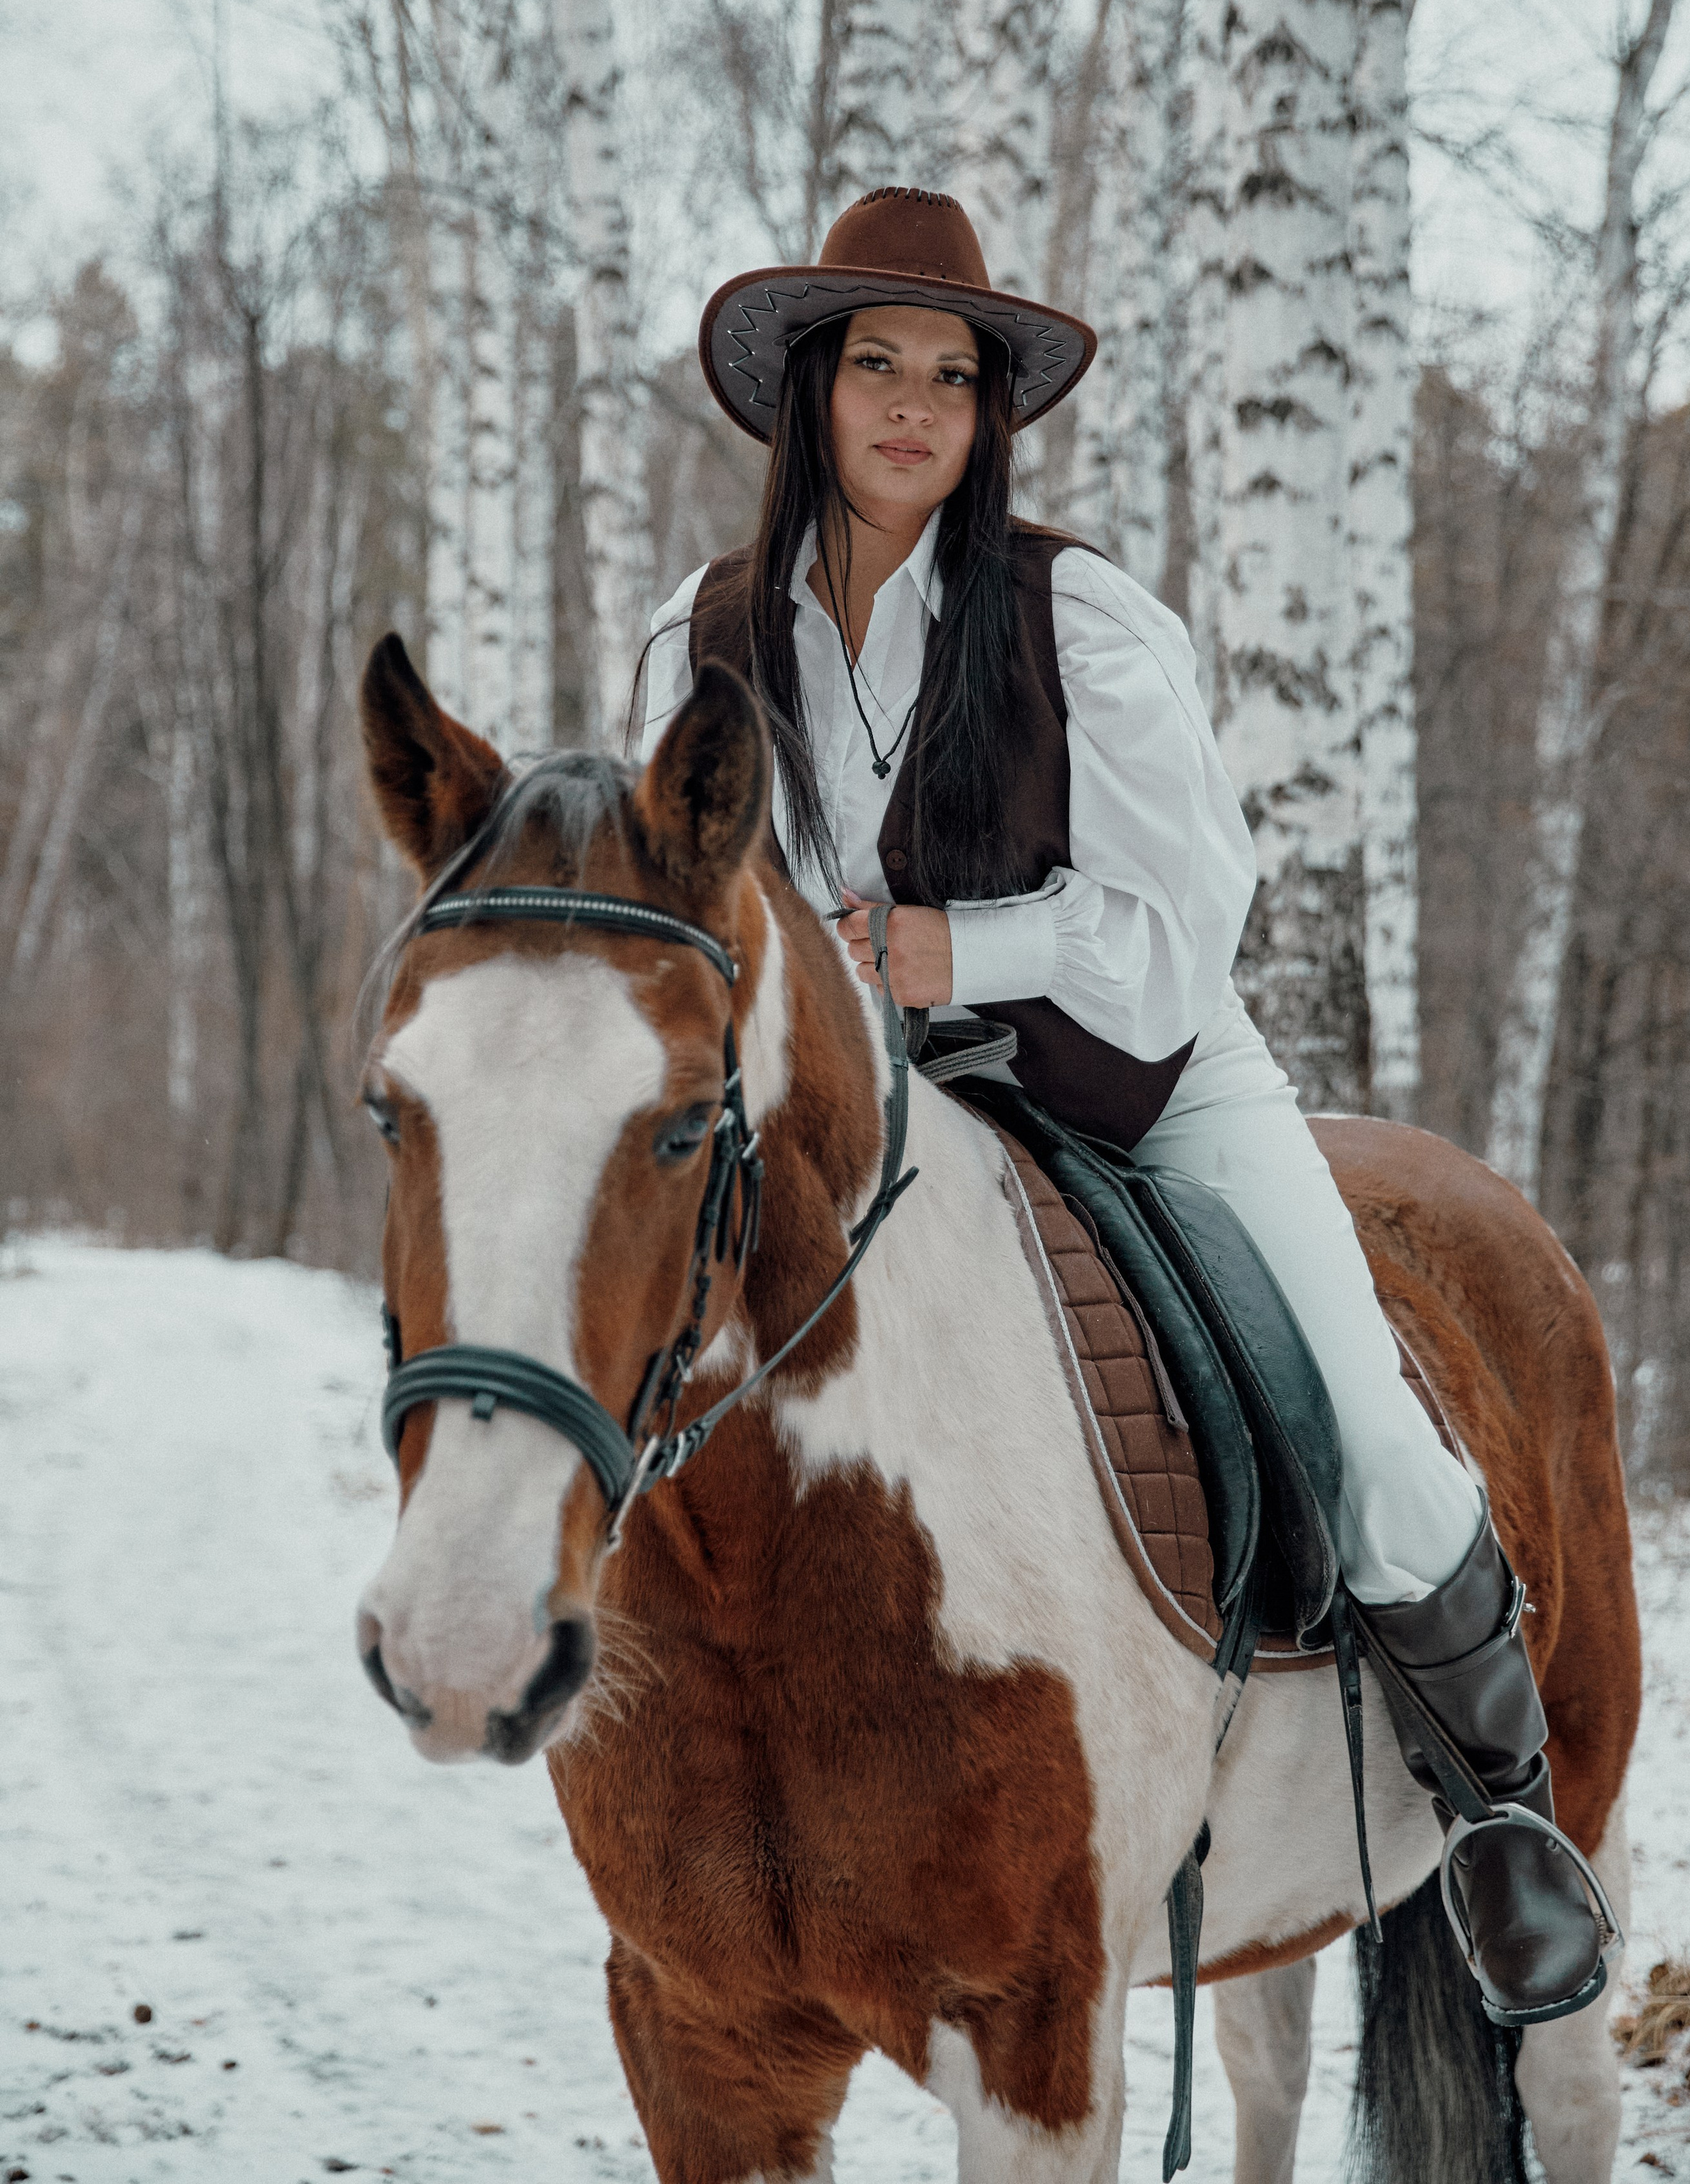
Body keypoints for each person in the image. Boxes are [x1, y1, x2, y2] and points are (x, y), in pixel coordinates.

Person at [640, 184, 1607, 2027]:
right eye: (877, 367)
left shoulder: (1071, 609)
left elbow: (1192, 919)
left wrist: (952, 950)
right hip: (878, 1127)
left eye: (952, 376)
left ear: (988, 413)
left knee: (1373, 1424)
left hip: (1142, 1080)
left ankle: (1498, 1825)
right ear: (810, 398)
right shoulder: (699, 637)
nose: (917, 406)